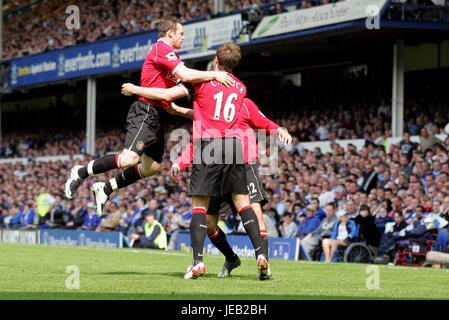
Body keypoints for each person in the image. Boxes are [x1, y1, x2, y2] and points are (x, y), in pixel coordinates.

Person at [64, 19, 233, 215]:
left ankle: (106, 188)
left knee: (151, 167)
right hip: (145, 110)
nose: (183, 37)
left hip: (158, 114)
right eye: (181, 33)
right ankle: (80, 172)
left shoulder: (172, 60)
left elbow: (175, 95)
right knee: (129, 159)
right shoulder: (161, 48)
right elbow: (184, 77)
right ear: (169, 33)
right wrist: (214, 75)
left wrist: (196, 111)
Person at [168, 42, 267, 280]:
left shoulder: (201, 82)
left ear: (216, 61)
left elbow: (183, 82)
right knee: (243, 203)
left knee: (199, 207)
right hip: (234, 146)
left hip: (209, 145)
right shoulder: (241, 88)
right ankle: (261, 256)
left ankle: (198, 263)